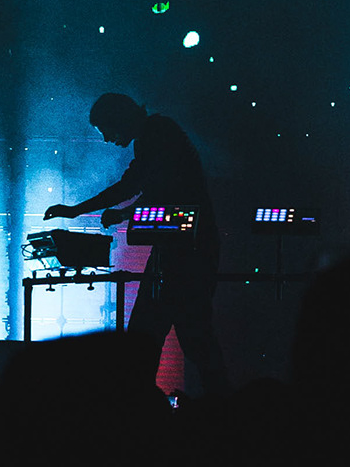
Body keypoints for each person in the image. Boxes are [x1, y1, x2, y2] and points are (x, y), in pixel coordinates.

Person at [46, 94, 229, 398]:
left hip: (186, 250)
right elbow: (159, 189)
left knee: (167, 334)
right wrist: (123, 214)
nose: (106, 138)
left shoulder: (156, 132)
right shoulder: (156, 132)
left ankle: (145, 405)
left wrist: (76, 210)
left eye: (106, 129)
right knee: (181, 334)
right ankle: (214, 403)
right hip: (183, 246)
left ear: (118, 118)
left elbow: (132, 185)